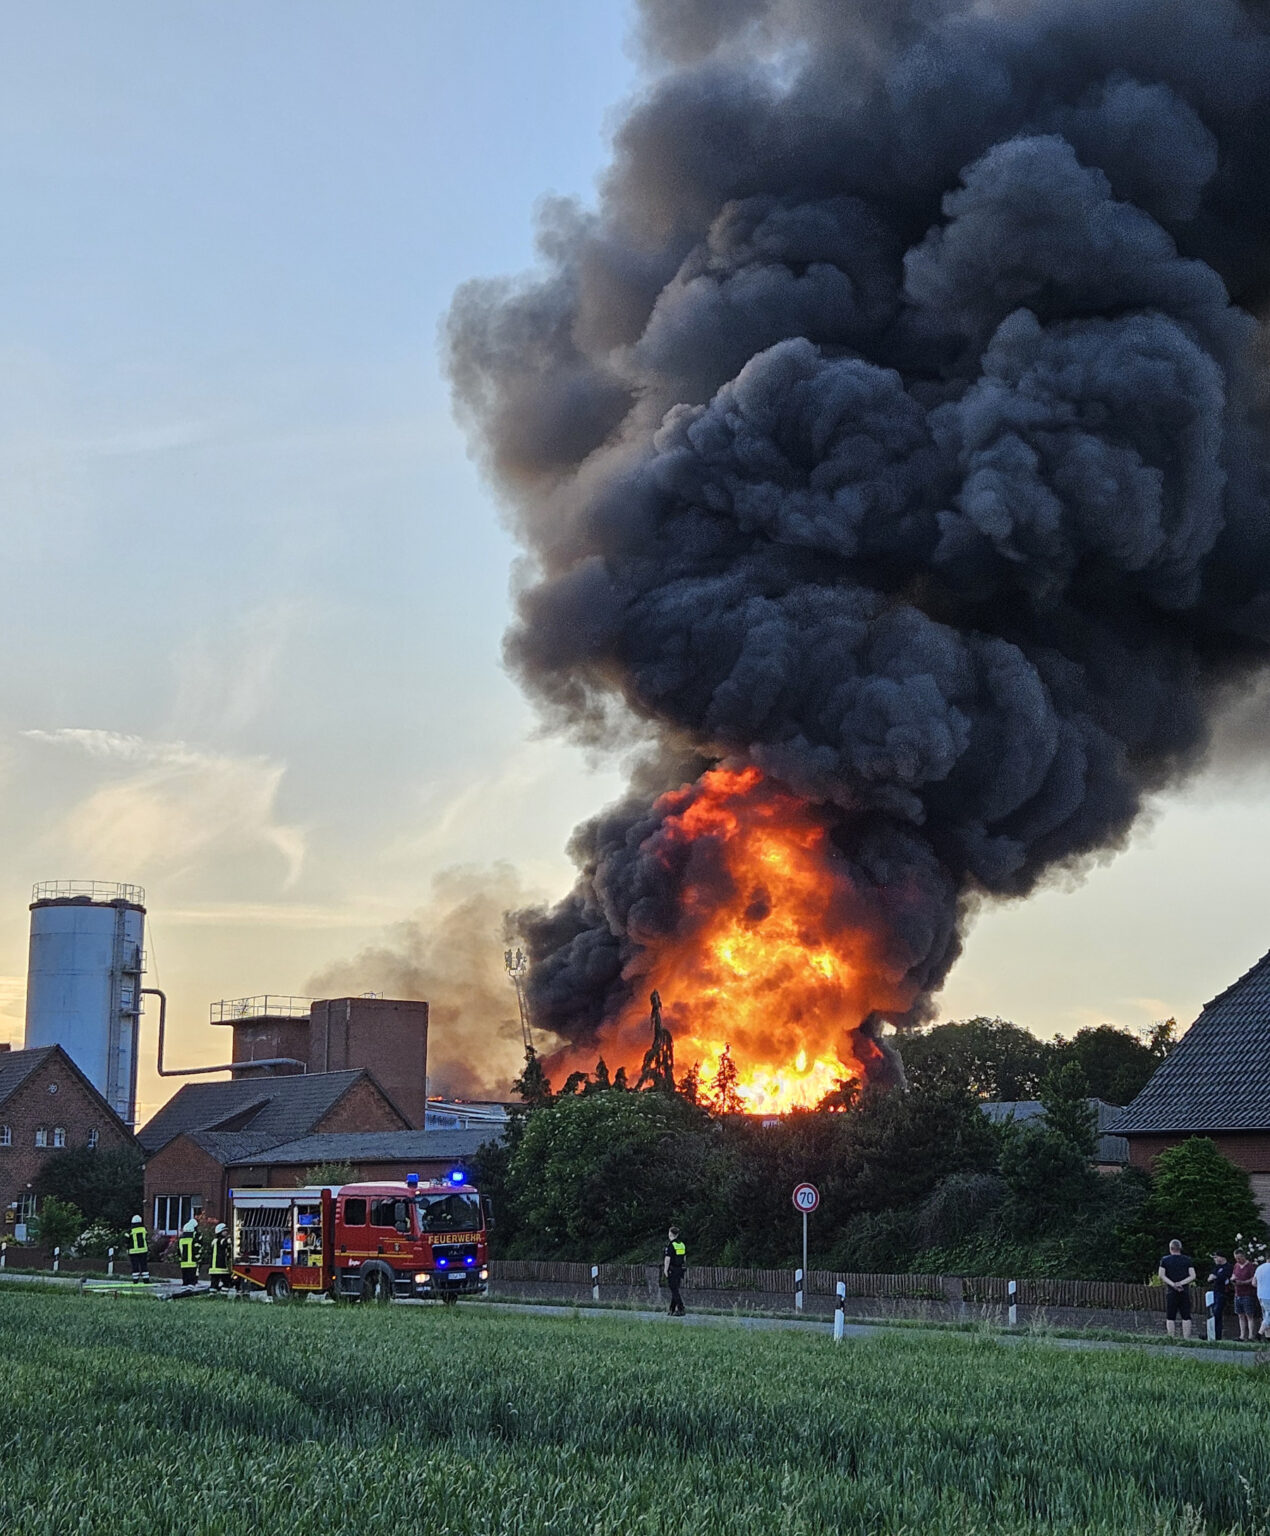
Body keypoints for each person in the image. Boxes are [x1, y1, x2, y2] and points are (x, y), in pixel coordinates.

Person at [1158, 1239, 1196, 1339]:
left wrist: (1173, 1284)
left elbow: (1161, 1275)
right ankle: (1186, 1338)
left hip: (1171, 1291)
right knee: (1186, 1315)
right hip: (1184, 1291)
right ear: (1180, 1248)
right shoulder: (1187, 1260)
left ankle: (1171, 1337)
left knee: (1170, 1315)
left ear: (1170, 1248)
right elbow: (1192, 1276)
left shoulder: (1165, 1260)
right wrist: (1181, 1283)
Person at [1232, 1249, 1257, 1341]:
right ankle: (1242, 1335)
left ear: (1243, 1256)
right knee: (1240, 1315)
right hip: (1238, 1293)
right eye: (1236, 1258)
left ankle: (1251, 1335)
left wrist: (1244, 1282)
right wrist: (1233, 1280)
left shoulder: (1250, 1266)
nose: (1237, 1260)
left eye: (1239, 1258)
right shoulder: (1236, 1266)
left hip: (1248, 1293)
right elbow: (1233, 1275)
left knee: (1249, 1315)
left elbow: (1253, 1278)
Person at [1207, 1251, 1233, 1339]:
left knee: (1217, 1312)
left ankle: (1216, 1335)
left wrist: (1216, 1277)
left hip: (1223, 1293)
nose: (1215, 1259)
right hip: (1215, 1292)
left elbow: (1224, 1278)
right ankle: (1212, 1334)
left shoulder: (1228, 1267)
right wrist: (1216, 1277)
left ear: (1222, 1257)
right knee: (1213, 1313)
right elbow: (1210, 1278)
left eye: (1216, 1257)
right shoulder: (1216, 1267)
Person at [663, 1226, 686, 1317]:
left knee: (674, 1289)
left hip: (672, 1269)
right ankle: (672, 1310)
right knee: (675, 1289)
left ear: (670, 1234)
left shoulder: (671, 1245)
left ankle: (681, 1308)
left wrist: (665, 1269)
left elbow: (667, 1258)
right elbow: (684, 1258)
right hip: (679, 1269)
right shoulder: (682, 1244)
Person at [208, 1223, 232, 1292]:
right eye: (224, 1231)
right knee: (226, 1281)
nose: (226, 1232)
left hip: (214, 1267)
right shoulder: (219, 1240)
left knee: (214, 1283)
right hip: (220, 1266)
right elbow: (224, 1242)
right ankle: (223, 1295)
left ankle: (212, 1295)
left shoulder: (214, 1241)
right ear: (219, 1232)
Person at [177, 1218, 200, 1287]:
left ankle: (184, 1292)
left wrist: (180, 1259)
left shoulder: (181, 1240)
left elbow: (179, 1252)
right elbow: (196, 1251)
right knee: (191, 1281)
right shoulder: (193, 1240)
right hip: (192, 1263)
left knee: (185, 1280)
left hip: (183, 1264)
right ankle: (190, 1292)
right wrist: (198, 1259)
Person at [127, 1214, 150, 1284]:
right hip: (143, 1250)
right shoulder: (144, 1229)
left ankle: (135, 1281)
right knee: (144, 1265)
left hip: (133, 1251)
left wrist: (128, 1247)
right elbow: (146, 1237)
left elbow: (126, 1240)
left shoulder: (130, 1231)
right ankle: (146, 1280)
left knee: (135, 1266)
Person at [1254, 1252, 1270, 1339]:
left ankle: (1268, 1337)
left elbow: (1254, 1283)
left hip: (1260, 1295)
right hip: (1269, 1295)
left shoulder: (1259, 1268)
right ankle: (1259, 1334)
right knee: (1269, 1316)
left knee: (1266, 1315)